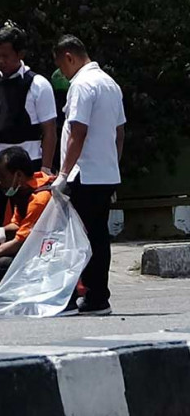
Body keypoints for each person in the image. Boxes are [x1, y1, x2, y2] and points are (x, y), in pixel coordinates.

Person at [0, 25, 57, 300]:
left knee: (27, 229)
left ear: (20, 54)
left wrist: (45, 169)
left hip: (26, 168)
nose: (0, 61)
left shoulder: (37, 84)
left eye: (5, 56)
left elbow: (49, 129)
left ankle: (24, 290)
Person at [51, 35, 125, 316]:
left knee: (75, 237)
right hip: (104, 172)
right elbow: (119, 133)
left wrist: (63, 173)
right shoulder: (110, 83)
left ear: (69, 57)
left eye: (62, 65)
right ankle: (97, 294)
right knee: (98, 236)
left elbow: (77, 132)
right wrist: (113, 165)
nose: (63, 73)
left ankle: (77, 296)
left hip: (83, 174)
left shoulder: (82, 85)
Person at [0, 146, 54, 295]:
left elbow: (21, 242)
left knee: (3, 263)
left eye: (2, 176)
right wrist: (2, 230)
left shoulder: (40, 198)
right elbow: (18, 224)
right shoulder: (23, 191)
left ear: (18, 175)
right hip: (39, 248)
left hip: (52, 255)